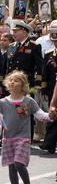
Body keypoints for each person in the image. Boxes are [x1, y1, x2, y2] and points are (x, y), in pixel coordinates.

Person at [0, 71, 52, 184]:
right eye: (10, 80)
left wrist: (50, 116)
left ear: (23, 85)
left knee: (19, 164)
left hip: (22, 138)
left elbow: (40, 115)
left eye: (16, 80)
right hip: (8, 139)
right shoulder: (2, 102)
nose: (12, 82)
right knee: (11, 167)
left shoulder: (28, 101)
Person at [2, 20, 43, 144]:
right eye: (13, 31)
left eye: (16, 31)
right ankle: (8, 135)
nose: (13, 33)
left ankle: (26, 137)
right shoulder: (12, 46)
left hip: (26, 84)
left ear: (24, 32)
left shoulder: (34, 46)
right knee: (9, 111)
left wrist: (39, 84)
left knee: (24, 111)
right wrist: (1, 82)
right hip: (11, 84)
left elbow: (39, 66)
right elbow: (6, 66)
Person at [39, 22, 57, 154]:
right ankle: (49, 143)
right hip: (52, 89)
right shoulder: (49, 53)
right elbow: (45, 73)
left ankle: (49, 141)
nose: (56, 43)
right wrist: (44, 89)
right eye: (54, 40)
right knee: (53, 115)